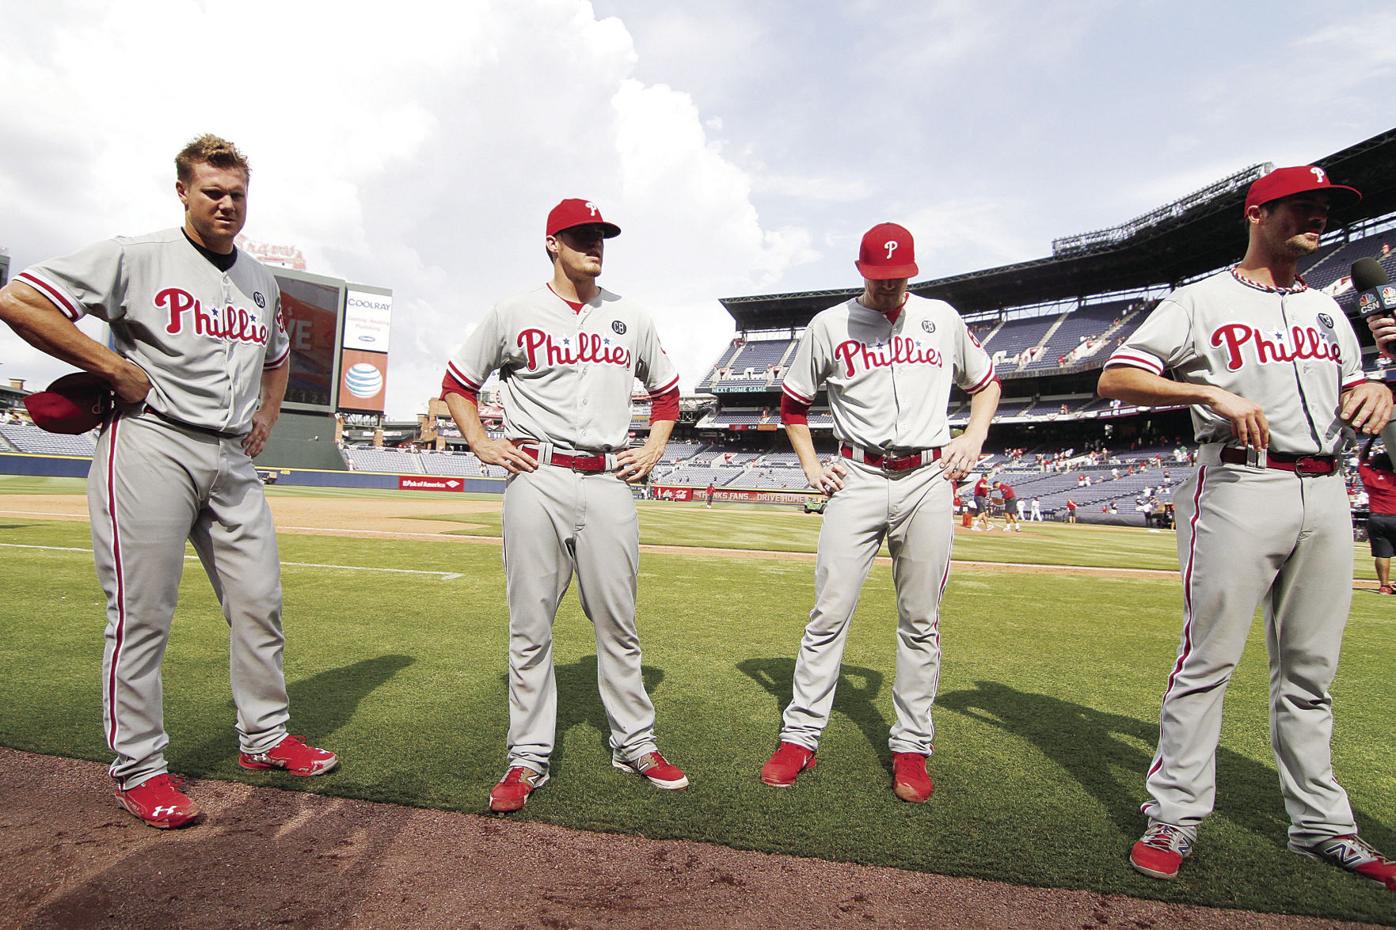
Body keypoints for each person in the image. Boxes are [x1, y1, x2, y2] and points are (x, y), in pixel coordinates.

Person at [0, 134, 337, 830]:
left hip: (231, 459)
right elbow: (20, 300)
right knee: (142, 614)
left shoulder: (260, 281)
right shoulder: (137, 255)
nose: (227, 203)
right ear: (183, 191)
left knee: (259, 603)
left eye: (238, 193)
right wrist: (114, 366)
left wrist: (269, 412)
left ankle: (265, 738)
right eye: (213, 190)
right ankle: (139, 768)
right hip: (151, 440)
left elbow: (277, 358)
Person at [1098, 165, 1396, 891]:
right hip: (1238, 481)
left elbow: (1351, 391)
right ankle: (1173, 814)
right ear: (1259, 212)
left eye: (1326, 206)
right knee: (1208, 661)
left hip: (1327, 490)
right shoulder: (1200, 300)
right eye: (1304, 204)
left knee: (1310, 673)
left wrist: (1379, 393)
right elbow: (1116, 376)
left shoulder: (1330, 313)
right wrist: (1206, 390)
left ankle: (1321, 826)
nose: (1319, 216)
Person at [441, 198, 688, 813]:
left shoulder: (630, 315)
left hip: (609, 479)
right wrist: (480, 442)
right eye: (581, 236)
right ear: (552, 242)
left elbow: (667, 392)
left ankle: (634, 742)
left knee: (618, 623)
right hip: (538, 474)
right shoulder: (513, 312)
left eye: (601, 236)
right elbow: (457, 384)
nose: (594, 245)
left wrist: (653, 448)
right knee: (530, 627)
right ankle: (528, 756)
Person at [761, 222, 1000, 803]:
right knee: (828, 612)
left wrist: (973, 436)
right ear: (861, 272)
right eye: (879, 279)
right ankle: (800, 735)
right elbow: (793, 406)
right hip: (858, 476)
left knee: (920, 621)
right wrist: (813, 468)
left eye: (899, 280)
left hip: (927, 477)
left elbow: (986, 385)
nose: (890, 289)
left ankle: (912, 746)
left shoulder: (940, 318)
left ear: (911, 273)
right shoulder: (829, 325)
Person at [1358, 441, 1396, 595]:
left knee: (1382, 553)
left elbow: (1362, 458)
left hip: (1376, 518)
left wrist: (1371, 440)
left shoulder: (1369, 475)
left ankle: (1384, 586)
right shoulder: (1393, 478)